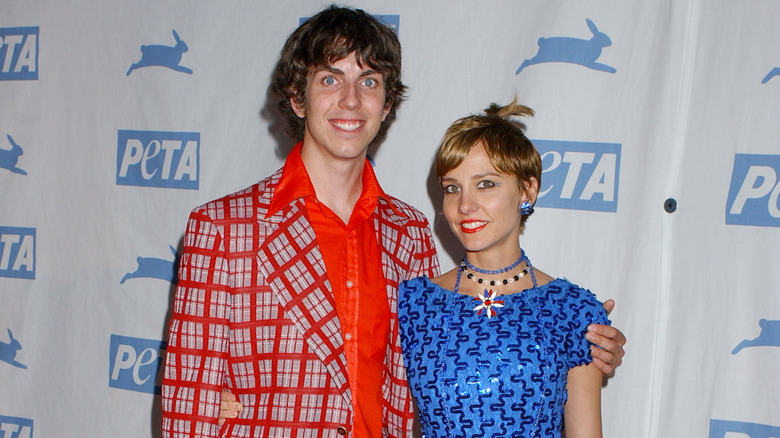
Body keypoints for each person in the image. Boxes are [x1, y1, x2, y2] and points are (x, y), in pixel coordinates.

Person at [163, 5, 625, 437]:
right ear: (297, 99)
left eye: (368, 82)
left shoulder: (406, 233)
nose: (350, 100)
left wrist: (580, 340)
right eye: (329, 79)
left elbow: (460, 349)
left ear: (386, 107)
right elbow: (188, 407)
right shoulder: (223, 228)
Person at [397, 100, 608, 437]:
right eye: (453, 188)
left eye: (485, 184)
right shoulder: (412, 304)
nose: (465, 205)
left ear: (528, 190)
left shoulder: (573, 310)